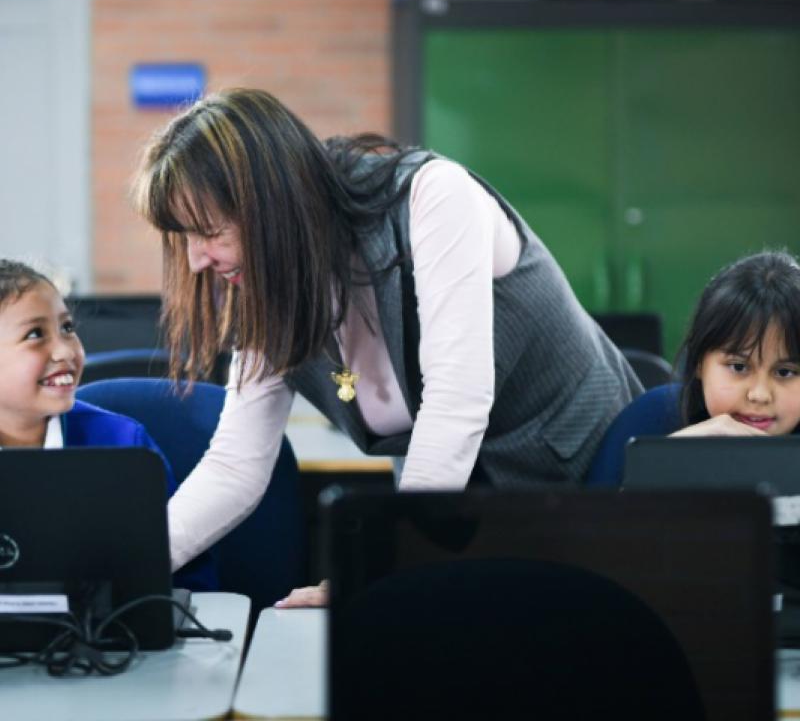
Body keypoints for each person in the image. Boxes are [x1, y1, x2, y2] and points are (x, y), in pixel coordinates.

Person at [131, 87, 642, 605]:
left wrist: (379, 567)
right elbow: (235, 466)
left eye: (210, 231)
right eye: (185, 238)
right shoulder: (270, 291)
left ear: (271, 204)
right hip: (461, 516)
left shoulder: (432, 197)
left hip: (589, 486)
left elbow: (454, 402)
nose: (197, 259)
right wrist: (123, 569)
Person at [0, 259, 216, 591]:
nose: (65, 350)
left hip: (114, 638)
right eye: (35, 334)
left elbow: (187, 579)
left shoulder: (123, 444)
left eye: (67, 328)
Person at [670, 250, 800, 439]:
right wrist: (670, 455)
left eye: (785, 372)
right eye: (738, 367)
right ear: (698, 361)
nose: (760, 395)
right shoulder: (647, 421)